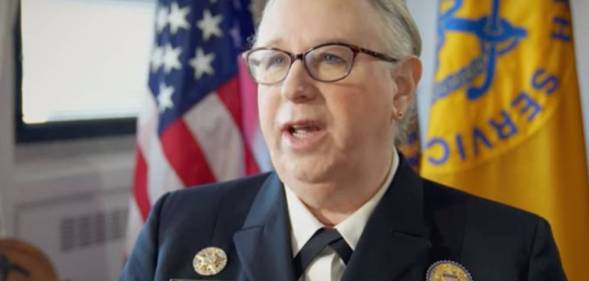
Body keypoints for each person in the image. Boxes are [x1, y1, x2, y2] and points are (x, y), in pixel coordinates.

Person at [119, 0, 567, 280]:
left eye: (331, 57)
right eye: (274, 60)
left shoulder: (512, 253)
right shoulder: (176, 229)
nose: (294, 86)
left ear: (402, 87)